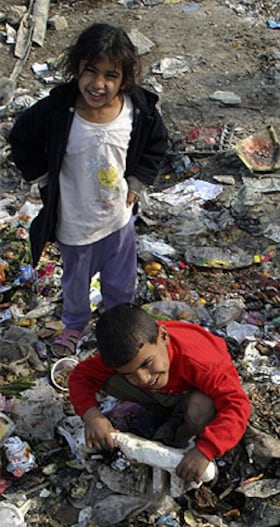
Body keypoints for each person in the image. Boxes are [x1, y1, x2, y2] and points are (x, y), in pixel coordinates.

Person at [9, 23, 168, 356]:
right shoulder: (58, 110)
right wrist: (42, 177)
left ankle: (119, 328)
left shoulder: (137, 111)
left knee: (120, 284)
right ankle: (75, 324)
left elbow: (156, 143)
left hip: (118, 219)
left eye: (111, 76)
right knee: (76, 284)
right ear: (76, 70)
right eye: (90, 72)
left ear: (124, 79)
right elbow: (20, 137)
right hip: (75, 223)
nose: (98, 85)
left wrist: (137, 181)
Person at [68, 303, 251, 483]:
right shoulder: (128, 352)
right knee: (109, 380)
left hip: (192, 394)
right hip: (166, 391)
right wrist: (92, 416)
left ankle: (183, 435)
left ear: (163, 336)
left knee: (201, 407)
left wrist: (206, 450)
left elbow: (237, 405)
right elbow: (80, 376)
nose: (143, 378)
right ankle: (162, 414)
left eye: (146, 363)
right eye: (129, 373)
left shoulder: (201, 360)